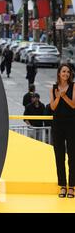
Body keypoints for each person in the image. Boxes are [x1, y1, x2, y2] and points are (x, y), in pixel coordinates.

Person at [49, 64, 75, 198]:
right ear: (59, 73)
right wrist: (59, 96)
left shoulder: (74, 86)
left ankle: (72, 187)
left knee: (72, 156)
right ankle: (63, 186)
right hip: (57, 125)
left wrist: (64, 96)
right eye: (63, 71)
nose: (66, 74)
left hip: (71, 124)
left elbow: (74, 105)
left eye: (68, 72)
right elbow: (53, 107)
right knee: (59, 156)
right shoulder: (53, 88)